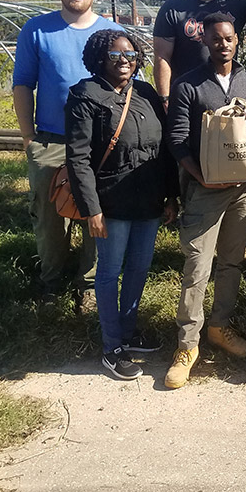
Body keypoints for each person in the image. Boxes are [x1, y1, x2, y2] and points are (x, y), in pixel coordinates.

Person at [164, 12, 246, 389]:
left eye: (228, 38)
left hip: (244, 191)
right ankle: (186, 345)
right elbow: (177, 140)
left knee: (231, 262)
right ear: (205, 41)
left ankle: (220, 327)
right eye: (215, 39)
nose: (222, 44)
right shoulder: (188, 85)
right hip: (204, 193)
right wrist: (201, 178)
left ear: (236, 40)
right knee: (196, 267)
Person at [65, 30, 177, 380]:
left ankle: (129, 331)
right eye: (115, 56)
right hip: (110, 203)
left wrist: (171, 194)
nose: (124, 60)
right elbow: (78, 159)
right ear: (101, 58)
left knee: (139, 269)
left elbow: (164, 152)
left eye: (130, 54)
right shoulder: (86, 95)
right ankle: (112, 346)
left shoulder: (143, 92)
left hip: (148, 200)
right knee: (109, 272)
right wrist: (91, 209)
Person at [12, 0, 120, 308]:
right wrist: (29, 137)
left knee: (96, 212)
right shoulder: (37, 30)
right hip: (51, 139)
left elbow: (125, 86)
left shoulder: (110, 33)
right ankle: (51, 280)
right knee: (47, 213)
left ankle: (88, 283)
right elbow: (23, 85)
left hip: (98, 142)